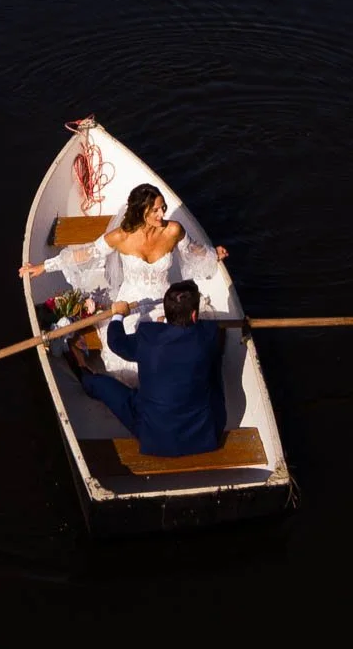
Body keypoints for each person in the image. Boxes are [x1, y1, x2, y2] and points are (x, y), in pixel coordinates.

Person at [18, 183, 228, 328]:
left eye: (163, 208)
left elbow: (192, 250)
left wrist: (212, 253)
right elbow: (85, 254)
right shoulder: (121, 237)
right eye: (155, 210)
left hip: (165, 300)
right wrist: (43, 266)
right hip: (130, 302)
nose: (162, 214)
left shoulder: (173, 230)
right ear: (141, 212)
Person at [68, 279, 225, 457]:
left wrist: (118, 315)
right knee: (213, 368)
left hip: (155, 437)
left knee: (99, 383)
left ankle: (84, 375)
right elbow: (201, 334)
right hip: (205, 436)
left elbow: (116, 342)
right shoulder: (210, 334)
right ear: (195, 315)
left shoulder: (148, 336)